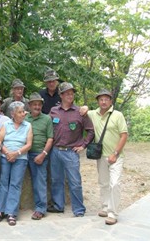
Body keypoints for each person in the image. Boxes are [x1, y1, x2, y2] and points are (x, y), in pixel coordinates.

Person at [48, 82, 94, 217]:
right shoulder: (53, 111)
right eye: (67, 93)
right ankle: (58, 206)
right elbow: (47, 128)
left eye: (72, 93)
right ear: (61, 95)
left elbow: (90, 131)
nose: (70, 95)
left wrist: (83, 145)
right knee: (56, 180)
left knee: (75, 182)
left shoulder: (80, 112)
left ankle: (79, 210)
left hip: (71, 152)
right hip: (55, 151)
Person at [87, 89, 128, 225]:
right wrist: (84, 108)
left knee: (114, 183)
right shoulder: (93, 114)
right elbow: (82, 111)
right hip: (101, 156)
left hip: (116, 156)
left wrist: (115, 153)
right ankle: (105, 207)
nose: (103, 101)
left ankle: (113, 213)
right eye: (101, 99)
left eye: (106, 99)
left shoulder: (118, 115)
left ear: (111, 101)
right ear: (98, 101)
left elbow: (124, 135)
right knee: (103, 183)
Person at [0, 101, 33, 226]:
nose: (23, 114)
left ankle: (11, 213)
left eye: (23, 111)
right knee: (3, 182)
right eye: (20, 112)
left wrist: (16, 153)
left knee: (15, 184)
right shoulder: (6, 124)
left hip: (20, 158)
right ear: (13, 114)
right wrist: (8, 152)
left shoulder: (28, 125)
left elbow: (29, 144)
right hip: (5, 156)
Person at [25, 92, 53, 220]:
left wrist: (43, 154)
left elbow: (50, 139)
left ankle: (40, 209)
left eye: (39, 104)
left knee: (39, 181)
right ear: (29, 106)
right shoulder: (24, 118)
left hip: (39, 153)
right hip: (24, 153)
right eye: (34, 104)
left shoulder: (47, 119)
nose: (37, 106)